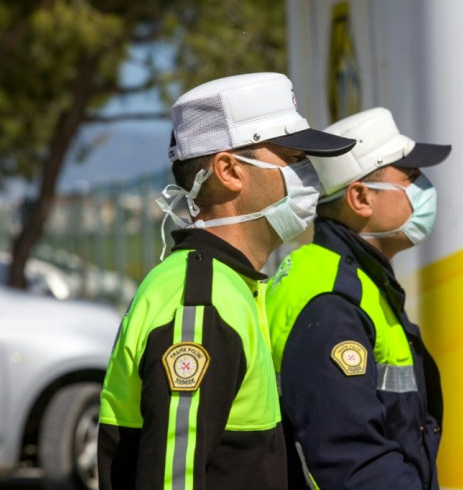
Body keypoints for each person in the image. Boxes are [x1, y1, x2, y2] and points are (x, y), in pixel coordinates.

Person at [97, 72, 355, 490]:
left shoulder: (231, 284)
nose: (309, 175)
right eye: (293, 158)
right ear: (229, 170)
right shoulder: (200, 303)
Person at [266, 107, 450, 489]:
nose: (426, 189)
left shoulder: (356, 278)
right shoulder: (331, 300)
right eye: (411, 178)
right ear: (361, 198)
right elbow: (352, 462)